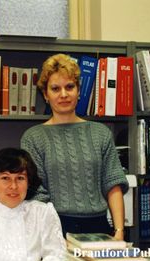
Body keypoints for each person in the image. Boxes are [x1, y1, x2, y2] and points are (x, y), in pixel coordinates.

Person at [20, 54, 129, 240]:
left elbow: (113, 184)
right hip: (54, 228)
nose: (63, 94)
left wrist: (119, 231)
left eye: (69, 87)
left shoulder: (100, 133)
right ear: (46, 95)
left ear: (79, 91)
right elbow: (36, 193)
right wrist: (51, 234)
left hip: (99, 227)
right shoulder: (33, 138)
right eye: (55, 89)